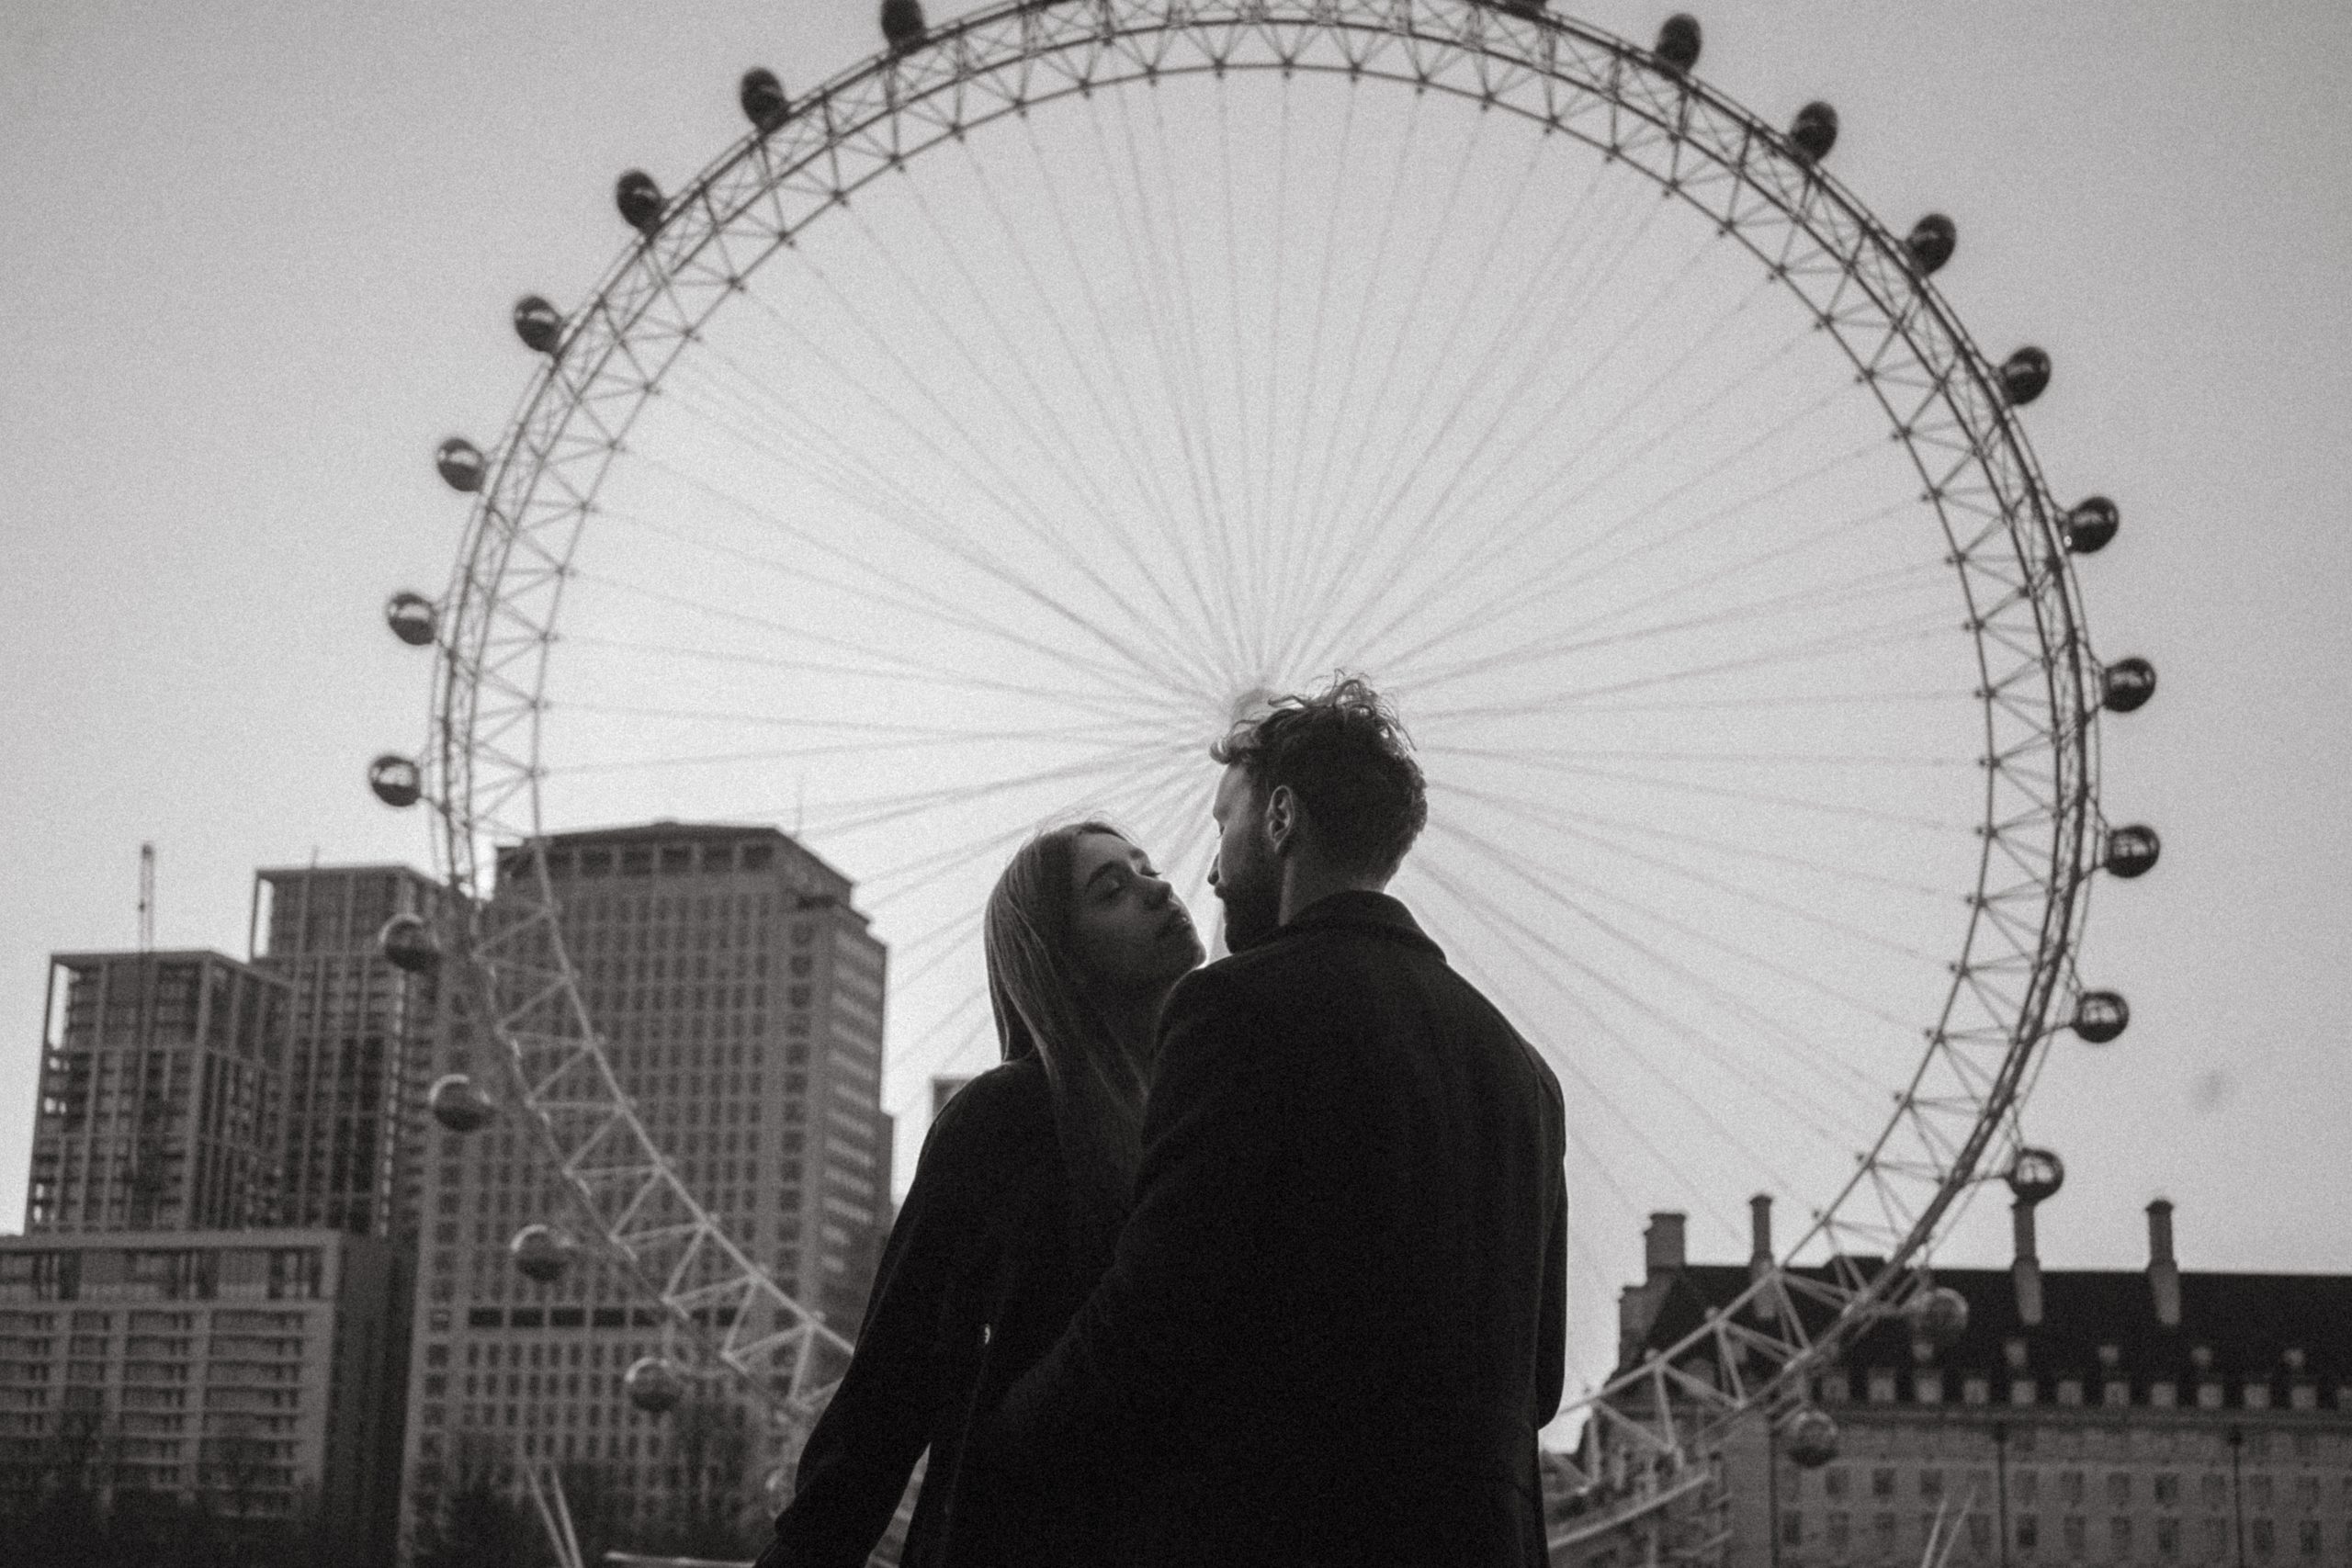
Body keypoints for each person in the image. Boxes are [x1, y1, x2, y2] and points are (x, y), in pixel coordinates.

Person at [991, 676, 1569, 1568]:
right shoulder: (1525, 1072)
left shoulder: (1233, 1010)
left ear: (1282, 818)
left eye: (1223, 823)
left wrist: (999, 1437)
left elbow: (1155, 1316)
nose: (1211, 872)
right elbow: (1538, 1383)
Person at [756, 821, 1204, 1568]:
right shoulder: (1006, 1119)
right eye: (1112, 889)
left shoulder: (1204, 1111)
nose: (1156, 888)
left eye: (1146, 868)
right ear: (1061, 960)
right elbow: (896, 1376)